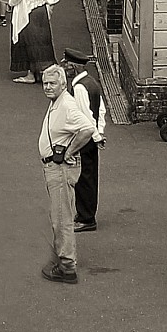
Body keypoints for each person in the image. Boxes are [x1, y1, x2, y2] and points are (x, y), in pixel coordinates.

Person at [37, 62, 98, 282]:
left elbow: (87, 128)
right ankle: (60, 257)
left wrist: (70, 151)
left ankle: (66, 267)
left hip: (60, 168)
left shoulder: (67, 106)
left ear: (63, 84)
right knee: (58, 215)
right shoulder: (57, 101)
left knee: (62, 218)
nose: (48, 87)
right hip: (54, 167)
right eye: (45, 83)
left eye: (52, 83)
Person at [67, 53, 107, 231]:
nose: (65, 68)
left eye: (67, 64)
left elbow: (85, 116)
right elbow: (101, 111)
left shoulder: (80, 88)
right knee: (89, 176)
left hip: (85, 137)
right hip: (92, 135)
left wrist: (96, 137)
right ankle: (85, 213)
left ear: (75, 66)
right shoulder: (91, 82)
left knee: (83, 178)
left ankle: (86, 218)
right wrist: (100, 132)